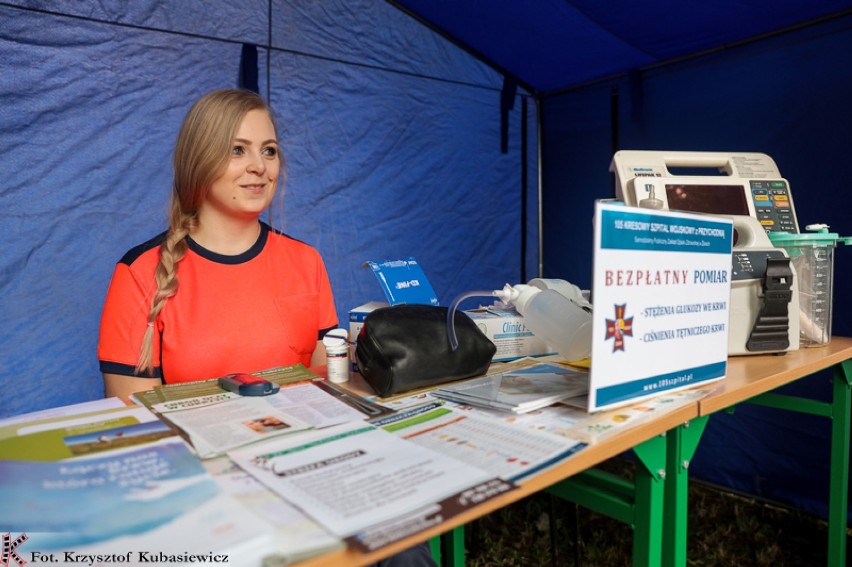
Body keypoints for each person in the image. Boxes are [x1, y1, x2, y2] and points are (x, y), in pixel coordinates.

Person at [98, 88, 436, 567]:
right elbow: (137, 428)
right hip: (213, 487)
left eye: (269, 150)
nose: (259, 166)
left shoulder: (304, 261)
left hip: (312, 464)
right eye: (237, 150)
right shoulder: (139, 273)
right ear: (198, 161)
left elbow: (329, 383)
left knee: (404, 534)